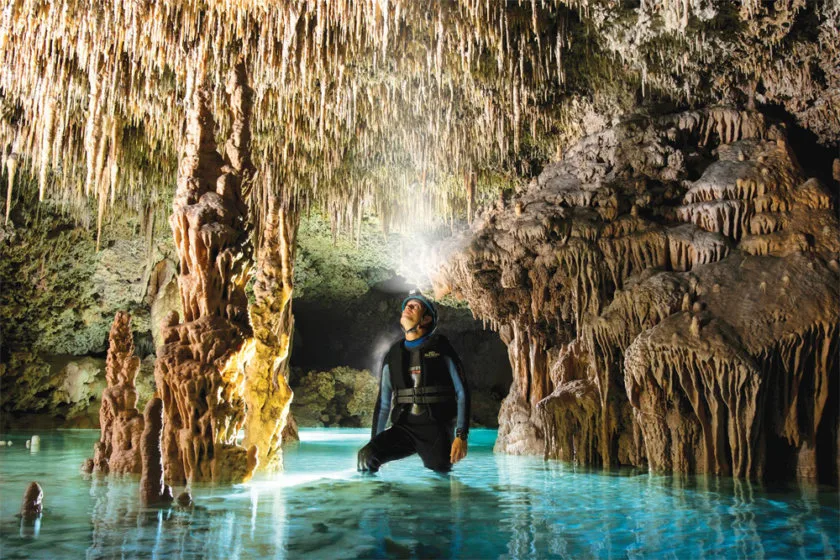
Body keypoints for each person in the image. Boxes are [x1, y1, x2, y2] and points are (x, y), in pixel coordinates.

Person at [357, 290, 470, 474]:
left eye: (414, 306)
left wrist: (461, 435)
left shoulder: (441, 347)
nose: (407, 308)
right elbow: (384, 403)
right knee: (366, 456)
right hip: (404, 428)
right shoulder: (393, 354)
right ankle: (373, 500)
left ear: (425, 319)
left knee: (440, 472)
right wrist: (375, 443)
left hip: (436, 429)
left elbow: (462, 392)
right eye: (406, 306)